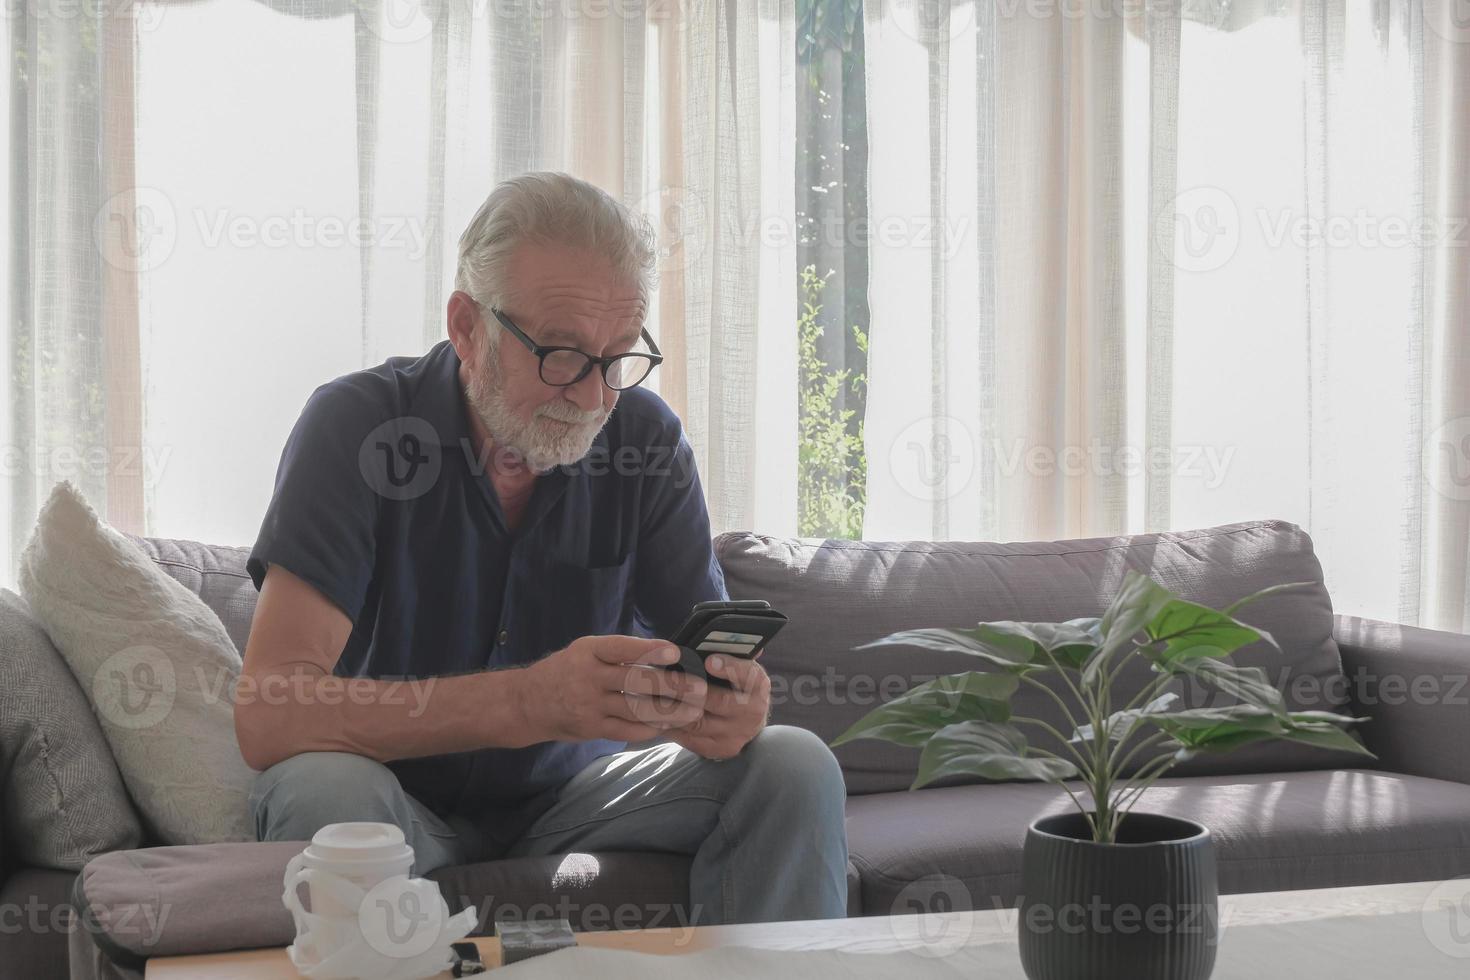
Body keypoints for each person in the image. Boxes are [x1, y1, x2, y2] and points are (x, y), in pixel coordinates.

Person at [235, 171, 849, 926]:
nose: (592, 397)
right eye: (560, 354)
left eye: (618, 355)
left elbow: (708, 668)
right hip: (388, 794)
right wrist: (527, 703)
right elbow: (270, 712)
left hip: (577, 800)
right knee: (326, 791)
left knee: (791, 764)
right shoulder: (358, 428)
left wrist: (729, 708)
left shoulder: (645, 442)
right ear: (468, 327)